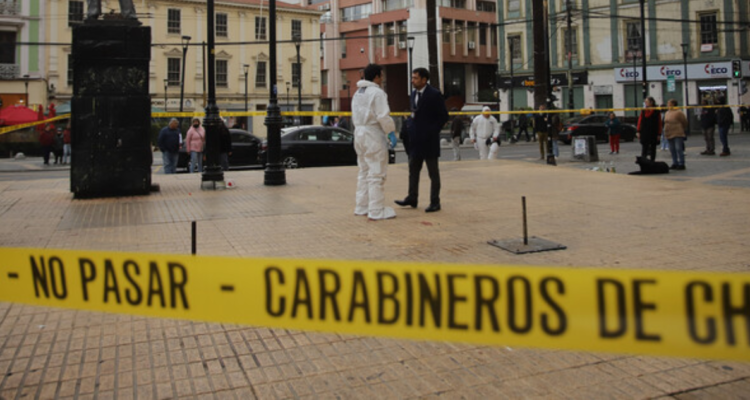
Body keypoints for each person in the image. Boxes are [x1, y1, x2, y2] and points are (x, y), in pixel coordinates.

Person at [395, 67, 449, 213]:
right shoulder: (413, 94)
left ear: (424, 80)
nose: (412, 80)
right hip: (415, 141)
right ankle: (412, 197)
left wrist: (433, 130)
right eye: (412, 78)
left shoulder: (434, 94)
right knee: (413, 170)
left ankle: (435, 201)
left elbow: (444, 116)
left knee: (433, 173)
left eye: (415, 78)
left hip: (430, 141)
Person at [351, 64, 397, 220]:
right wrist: (390, 132)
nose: (382, 78)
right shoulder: (377, 93)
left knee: (363, 171)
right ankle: (376, 210)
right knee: (376, 172)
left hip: (359, 134)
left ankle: (361, 206)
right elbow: (383, 116)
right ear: (377, 76)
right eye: (381, 75)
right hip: (372, 135)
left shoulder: (357, 93)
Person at [663, 99, 688, 170]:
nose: (668, 105)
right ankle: (675, 162)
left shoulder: (679, 112)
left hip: (678, 132)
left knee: (678, 148)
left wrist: (682, 128)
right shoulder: (667, 112)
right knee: (672, 149)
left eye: (669, 103)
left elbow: (684, 121)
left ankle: (681, 163)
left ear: (673, 104)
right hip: (669, 132)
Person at [637, 96, 661, 162]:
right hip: (644, 131)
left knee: (653, 148)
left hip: (653, 132)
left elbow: (659, 123)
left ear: (651, 102)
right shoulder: (644, 111)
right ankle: (643, 161)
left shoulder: (656, 111)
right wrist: (638, 131)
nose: (645, 103)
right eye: (645, 102)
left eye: (646, 101)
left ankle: (652, 162)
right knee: (644, 148)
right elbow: (640, 121)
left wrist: (659, 134)